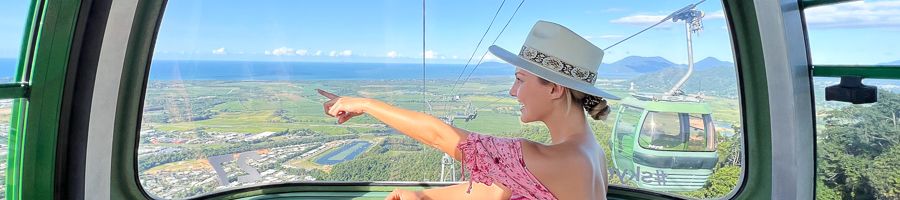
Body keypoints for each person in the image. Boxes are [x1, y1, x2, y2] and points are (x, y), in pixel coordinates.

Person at [317, 20, 620, 200]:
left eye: (519, 79)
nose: (513, 91)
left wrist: (367, 104)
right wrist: (425, 195)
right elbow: (498, 189)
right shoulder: (591, 154)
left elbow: (440, 135)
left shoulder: (553, 158)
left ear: (554, 89)